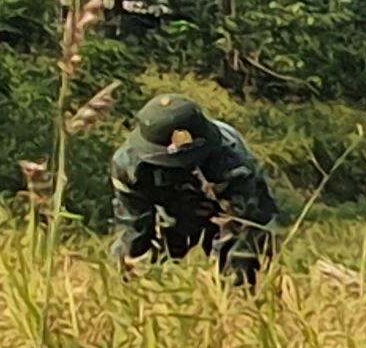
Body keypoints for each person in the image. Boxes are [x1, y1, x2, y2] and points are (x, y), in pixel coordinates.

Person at [111, 94, 282, 287]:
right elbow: (132, 224)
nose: (179, 166)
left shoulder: (232, 159)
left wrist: (232, 288)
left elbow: (240, 226)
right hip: (171, 211)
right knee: (146, 266)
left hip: (233, 209)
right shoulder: (129, 165)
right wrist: (125, 273)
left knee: (246, 266)